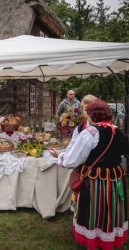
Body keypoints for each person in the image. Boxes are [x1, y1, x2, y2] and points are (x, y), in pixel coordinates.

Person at [50, 99, 128, 249]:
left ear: (93, 115)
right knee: (111, 207)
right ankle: (108, 237)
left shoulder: (90, 132)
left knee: (93, 207)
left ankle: (95, 239)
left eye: (87, 113)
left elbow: (72, 160)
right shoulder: (116, 130)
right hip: (115, 177)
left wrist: (59, 156)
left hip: (96, 179)